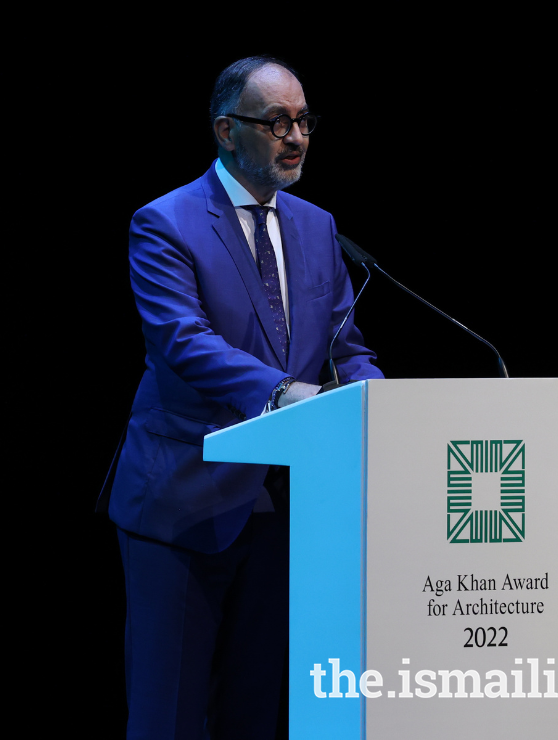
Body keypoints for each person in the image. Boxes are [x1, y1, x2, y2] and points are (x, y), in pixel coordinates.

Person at [104, 56, 381, 738]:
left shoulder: (317, 227)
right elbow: (183, 341)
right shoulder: (165, 222)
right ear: (227, 131)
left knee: (258, 715)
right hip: (183, 504)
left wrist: (381, 407)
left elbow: (345, 346)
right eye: (277, 121)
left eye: (304, 121)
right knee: (167, 717)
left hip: (285, 509)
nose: (296, 137)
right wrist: (283, 394)